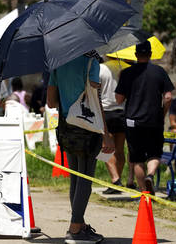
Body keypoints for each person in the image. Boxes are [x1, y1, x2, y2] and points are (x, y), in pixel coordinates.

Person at [47, 52, 114, 243]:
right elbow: (94, 101)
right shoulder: (91, 63)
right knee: (85, 179)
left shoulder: (58, 63)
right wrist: (105, 134)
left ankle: (80, 224)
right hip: (87, 128)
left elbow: (50, 102)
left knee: (75, 178)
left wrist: (68, 101)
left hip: (66, 127)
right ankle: (75, 228)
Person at [115, 40, 174, 196]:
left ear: (136, 55)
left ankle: (144, 195)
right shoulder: (160, 72)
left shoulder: (127, 73)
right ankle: (150, 175)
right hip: (154, 120)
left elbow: (119, 100)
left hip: (133, 121)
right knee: (154, 154)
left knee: (137, 158)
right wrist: (162, 113)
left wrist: (124, 83)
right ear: (150, 54)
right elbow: (168, 97)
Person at [99, 57, 136, 194]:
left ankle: (115, 180)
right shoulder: (127, 68)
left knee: (104, 148)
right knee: (120, 149)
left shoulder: (101, 68)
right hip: (123, 111)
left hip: (105, 112)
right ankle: (117, 180)